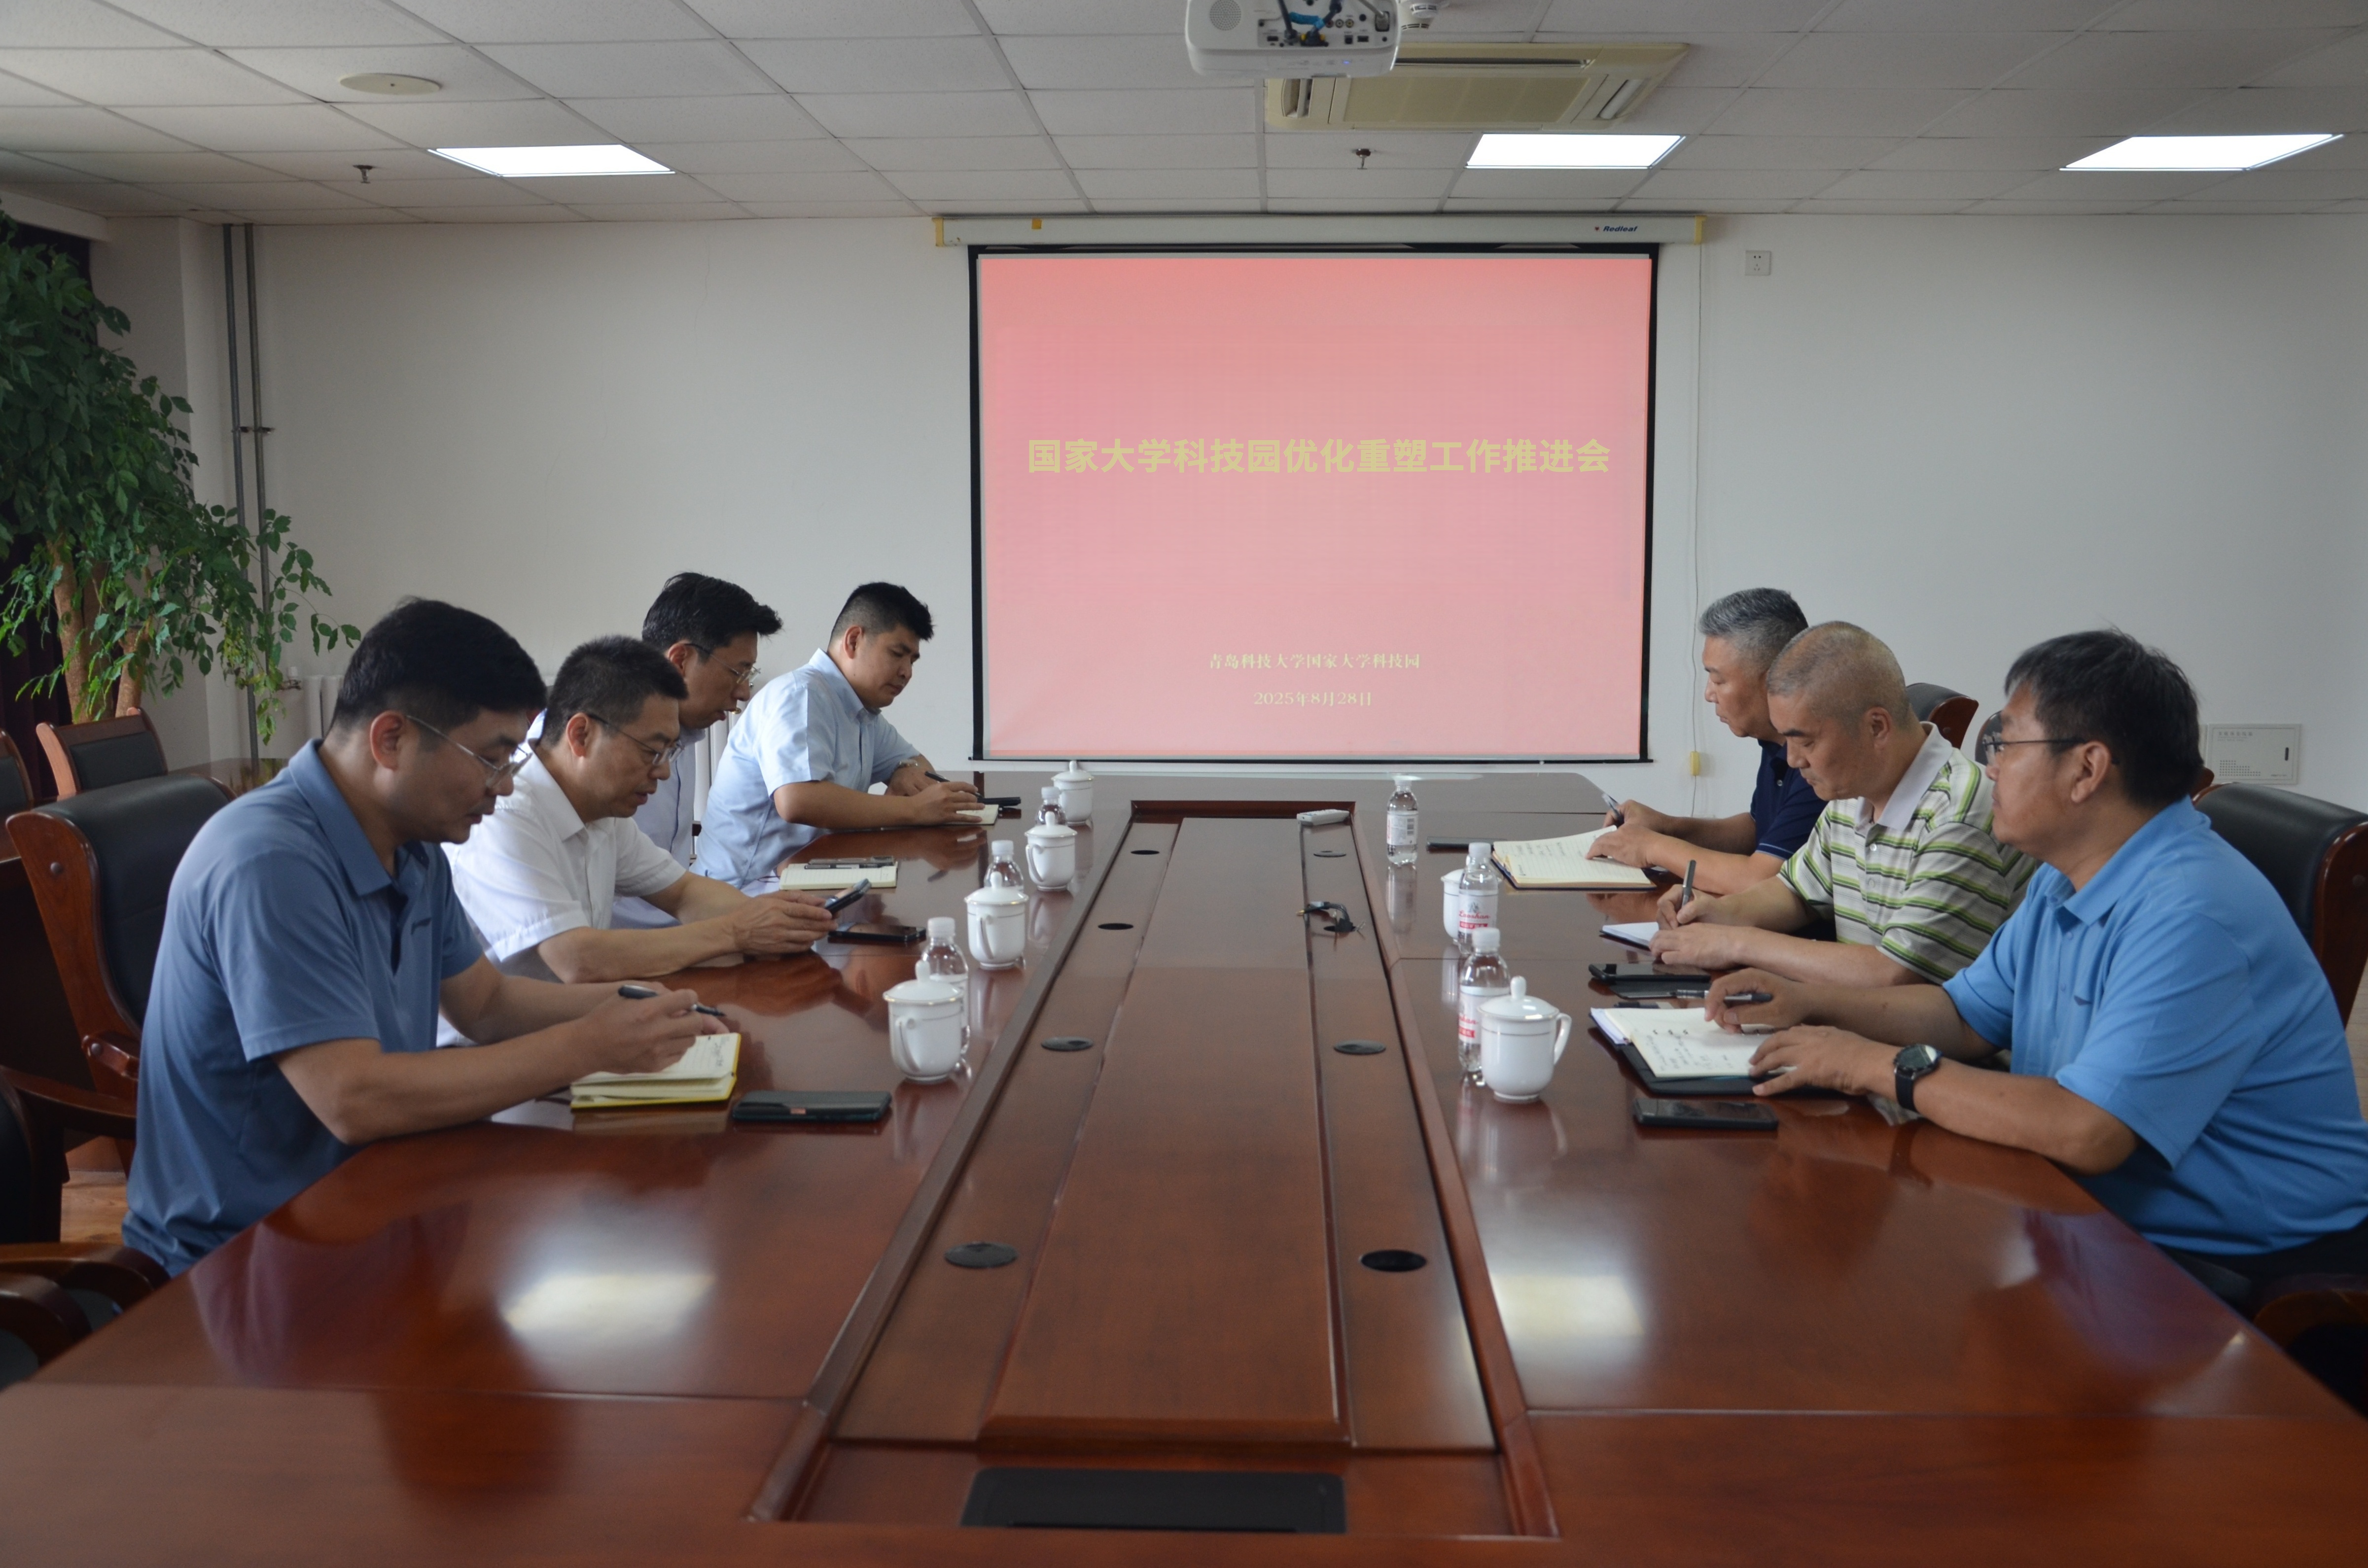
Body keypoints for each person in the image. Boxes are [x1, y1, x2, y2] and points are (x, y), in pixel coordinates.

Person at [1706, 630, 2368, 1297]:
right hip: (2085, 1211)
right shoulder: (2066, 874)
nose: (1989, 768)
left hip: (2240, 1267)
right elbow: (1963, 1015)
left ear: (2086, 769)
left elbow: (2087, 1130)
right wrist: (1809, 1002)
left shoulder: (2192, 910)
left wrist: (1871, 1065)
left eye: (2007, 743)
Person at [125, 600, 721, 1275]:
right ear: (391, 740)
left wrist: (639, 1003)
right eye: (492, 759)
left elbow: (487, 1004)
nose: (505, 788)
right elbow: (354, 1098)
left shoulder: (414, 848)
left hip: (378, 1192)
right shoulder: (269, 860)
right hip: (245, 1252)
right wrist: (589, 1045)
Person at [1650, 621, 2032, 985]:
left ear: (1876, 727)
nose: (1794, 760)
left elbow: (1897, 973)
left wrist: (1735, 943)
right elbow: (1796, 891)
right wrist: (1718, 912)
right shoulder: (1853, 792)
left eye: (1806, 741)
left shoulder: (1957, 816)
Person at [443, 635, 835, 987]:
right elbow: (577, 959)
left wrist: (783, 924)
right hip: (515, 1038)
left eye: (668, 752)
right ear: (581, 734)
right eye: (652, 751)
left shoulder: (602, 810)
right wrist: (736, 932)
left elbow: (684, 892)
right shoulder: (506, 815)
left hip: (584, 1015)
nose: (663, 771)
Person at [700, 581, 978, 887]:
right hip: (746, 890)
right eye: (897, 654)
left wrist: (903, 771)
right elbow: (798, 800)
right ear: (854, 641)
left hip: (810, 877)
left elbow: (918, 765)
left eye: (912, 661)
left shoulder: (862, 710)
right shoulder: (801, 695)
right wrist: (914, 810)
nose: (907, 672)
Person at [1592, 587, 1819, 895]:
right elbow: (1759, 830)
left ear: (1773, 680)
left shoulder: (1818, 761)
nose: (1709, 694)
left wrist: (1652, 847)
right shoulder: (1776, 743)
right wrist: (1667, 826)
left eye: (1718, 680)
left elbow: (1761, 880)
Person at [611, 573, 782, 926]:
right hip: (628, 947)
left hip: (680, 929)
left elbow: (679, 887)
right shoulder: (601, 749)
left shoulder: (684, 733)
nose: (744, 692)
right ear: (680, 661)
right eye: (738, 672)